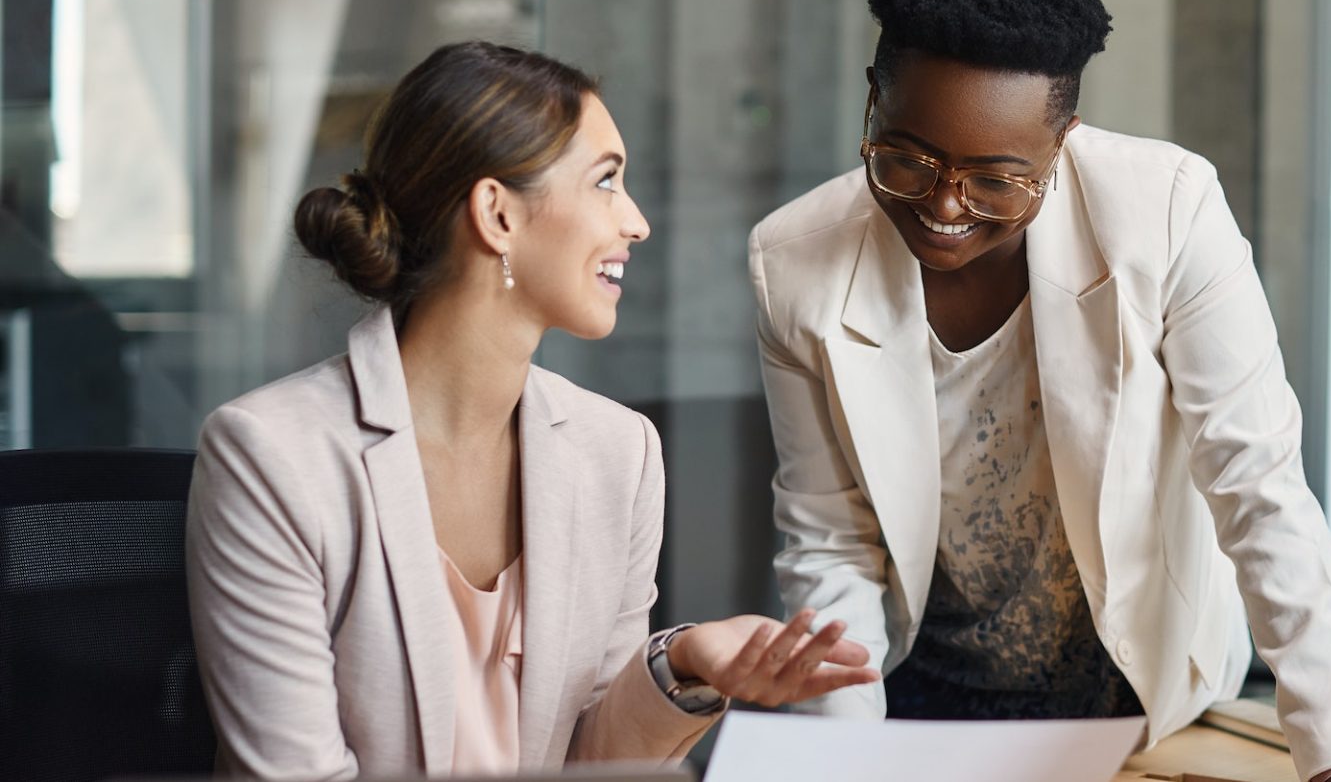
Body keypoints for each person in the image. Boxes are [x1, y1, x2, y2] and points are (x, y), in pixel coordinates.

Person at [748, 0, 1331, 780]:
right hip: (924, 706)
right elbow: (832, 544)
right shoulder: (794, 263)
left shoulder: (1168, 211)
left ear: (1062, 142)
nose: (946, 205)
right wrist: (845, 759)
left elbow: (1257, 486)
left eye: (995, 180)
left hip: (1139, 700)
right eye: (907, 159)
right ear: (874, 98)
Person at [186, 41, 877, 779]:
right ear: (498, 215)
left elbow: (593, 766)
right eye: (606, 181)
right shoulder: (272, 457)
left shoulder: (619, 453)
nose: (637, 222)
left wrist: (682, 665)